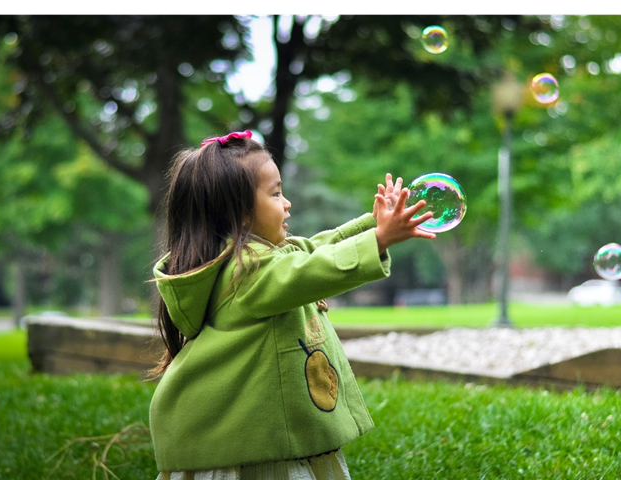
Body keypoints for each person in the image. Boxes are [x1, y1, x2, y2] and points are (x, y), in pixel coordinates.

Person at [148, 130, 436, 480]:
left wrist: (373, 224)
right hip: (252, 453)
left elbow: (312, 249)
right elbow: (313, 269)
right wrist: (378, 239)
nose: (287, 203)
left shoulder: (258, 259)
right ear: (238, 213)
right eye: (275, 193)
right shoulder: (247, 272)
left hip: (262, 440)